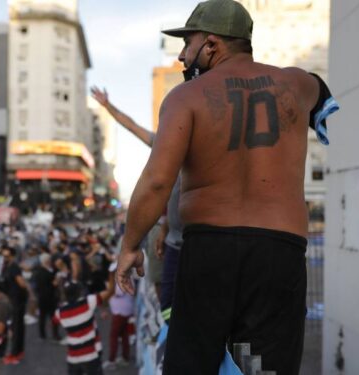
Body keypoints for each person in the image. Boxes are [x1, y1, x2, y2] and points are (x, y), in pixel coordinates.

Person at [115, 1, 339, 374]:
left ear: (212, 45)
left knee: (194, 363)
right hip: (279, 254)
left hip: (210, 251)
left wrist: (129, 246)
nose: (183, 56)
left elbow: (157, 181)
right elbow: (320, 92)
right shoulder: (298, 82)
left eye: (188, 43)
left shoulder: (185, 98)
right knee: (264, 366)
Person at [91, 86, 183, 322]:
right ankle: (168, 330)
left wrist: (130, 247)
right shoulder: (165, 144)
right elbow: (131, 125)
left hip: (191, 237)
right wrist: (108, 106)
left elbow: (157, 187)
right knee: (167, 298)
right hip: (172, 236)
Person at [54, 271, 115, 375]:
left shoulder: (59, 313)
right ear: (78, 292)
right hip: (90, 355)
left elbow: (54, 322)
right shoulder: (88, 302)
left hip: (73, 358)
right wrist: (112, 276)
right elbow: (110, 292)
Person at [0, 246, 28, 365]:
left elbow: (21, 283)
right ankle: (19, 351)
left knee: (15, 328)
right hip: (13, 300)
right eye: (3, 256)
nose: (5, 258)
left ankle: (14, 353)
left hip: (16, 301)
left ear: (12, 255)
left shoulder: (14, 267)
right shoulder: (8, 266)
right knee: (17, 326)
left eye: (7, 256)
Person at [103, 264, 134, 370]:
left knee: (114, 336)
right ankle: (125, 357)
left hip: (120, 312)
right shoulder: (127, 277)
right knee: (124, 334)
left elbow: (114, 293)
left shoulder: (121, 280)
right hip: (124, 310)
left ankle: (112, 360)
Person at [32, 253, 60, 341]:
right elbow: (54, 284)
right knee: (53, 316)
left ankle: (42, 335)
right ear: (46, 261)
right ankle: (55, 334)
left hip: (41, 297)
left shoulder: (37, 272)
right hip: (50, 297)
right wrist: (58, 279)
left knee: (42, 317)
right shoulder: (49, 273)